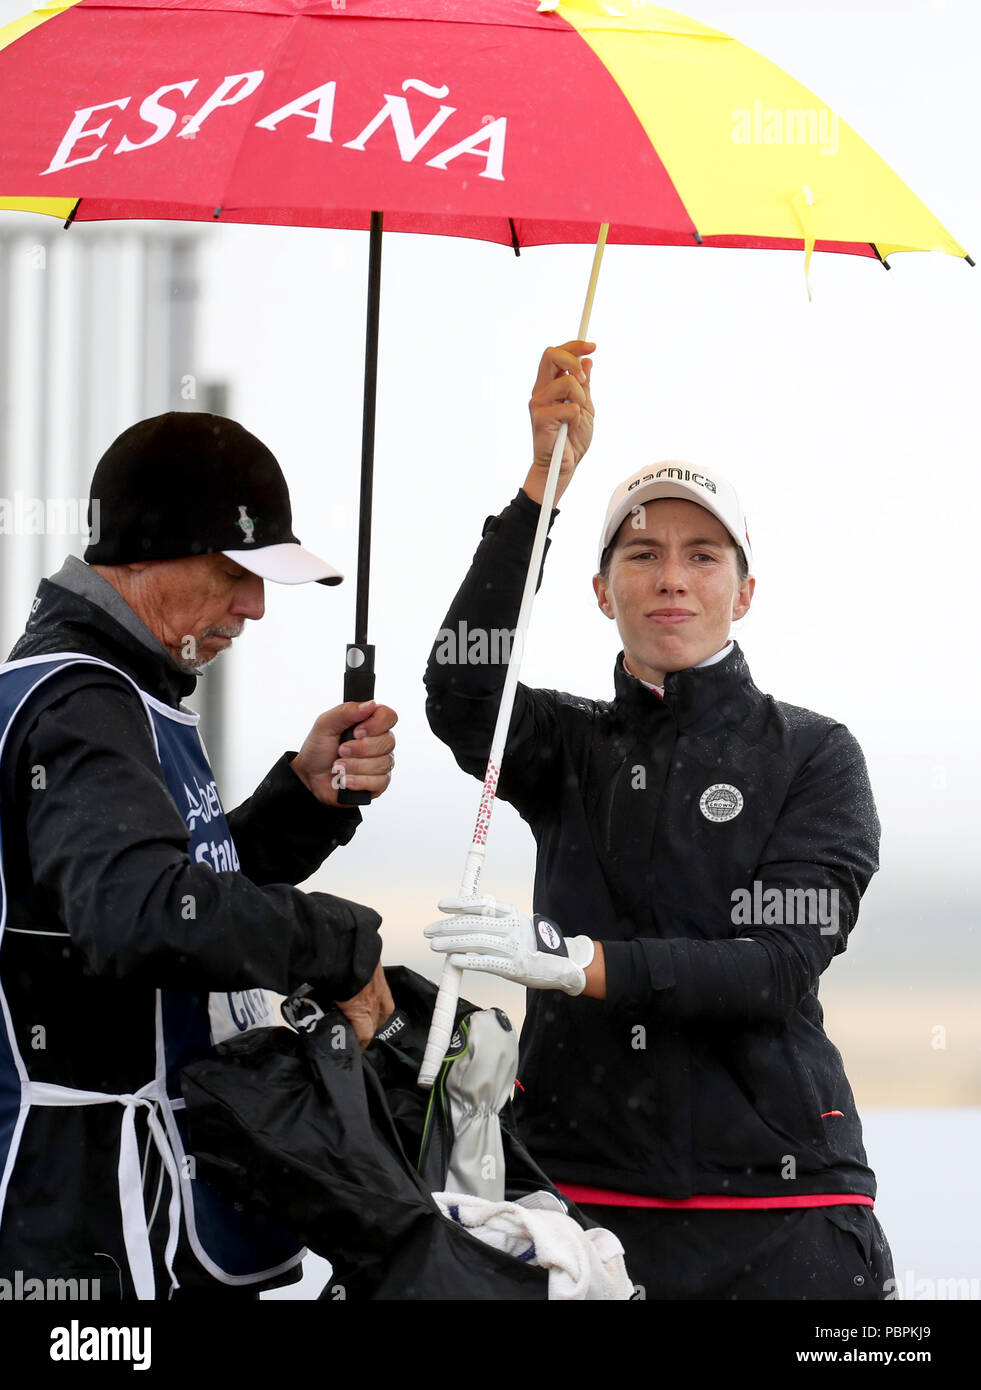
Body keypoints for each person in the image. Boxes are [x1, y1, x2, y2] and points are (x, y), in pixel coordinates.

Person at [423, 341, 895, 1299]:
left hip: (778, 1209)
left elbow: (773, 967)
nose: (670, 577)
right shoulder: (566, 742)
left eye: (701, 555)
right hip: (576, 1199)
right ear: (602, 591)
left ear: (743, 590)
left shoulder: (815, 753)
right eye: (640, 553)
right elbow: (463, 687)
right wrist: (539, 488)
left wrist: (575, 961)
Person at [0, 411, 397, 1300]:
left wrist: (303, 801)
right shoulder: (85, 701)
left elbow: (185, 887)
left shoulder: (119, 690)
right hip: (89, 1218)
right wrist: (336, 944)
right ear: (142, 555)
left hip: (134, 1202)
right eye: (233, 575)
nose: (254, 607)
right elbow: (138, 916)